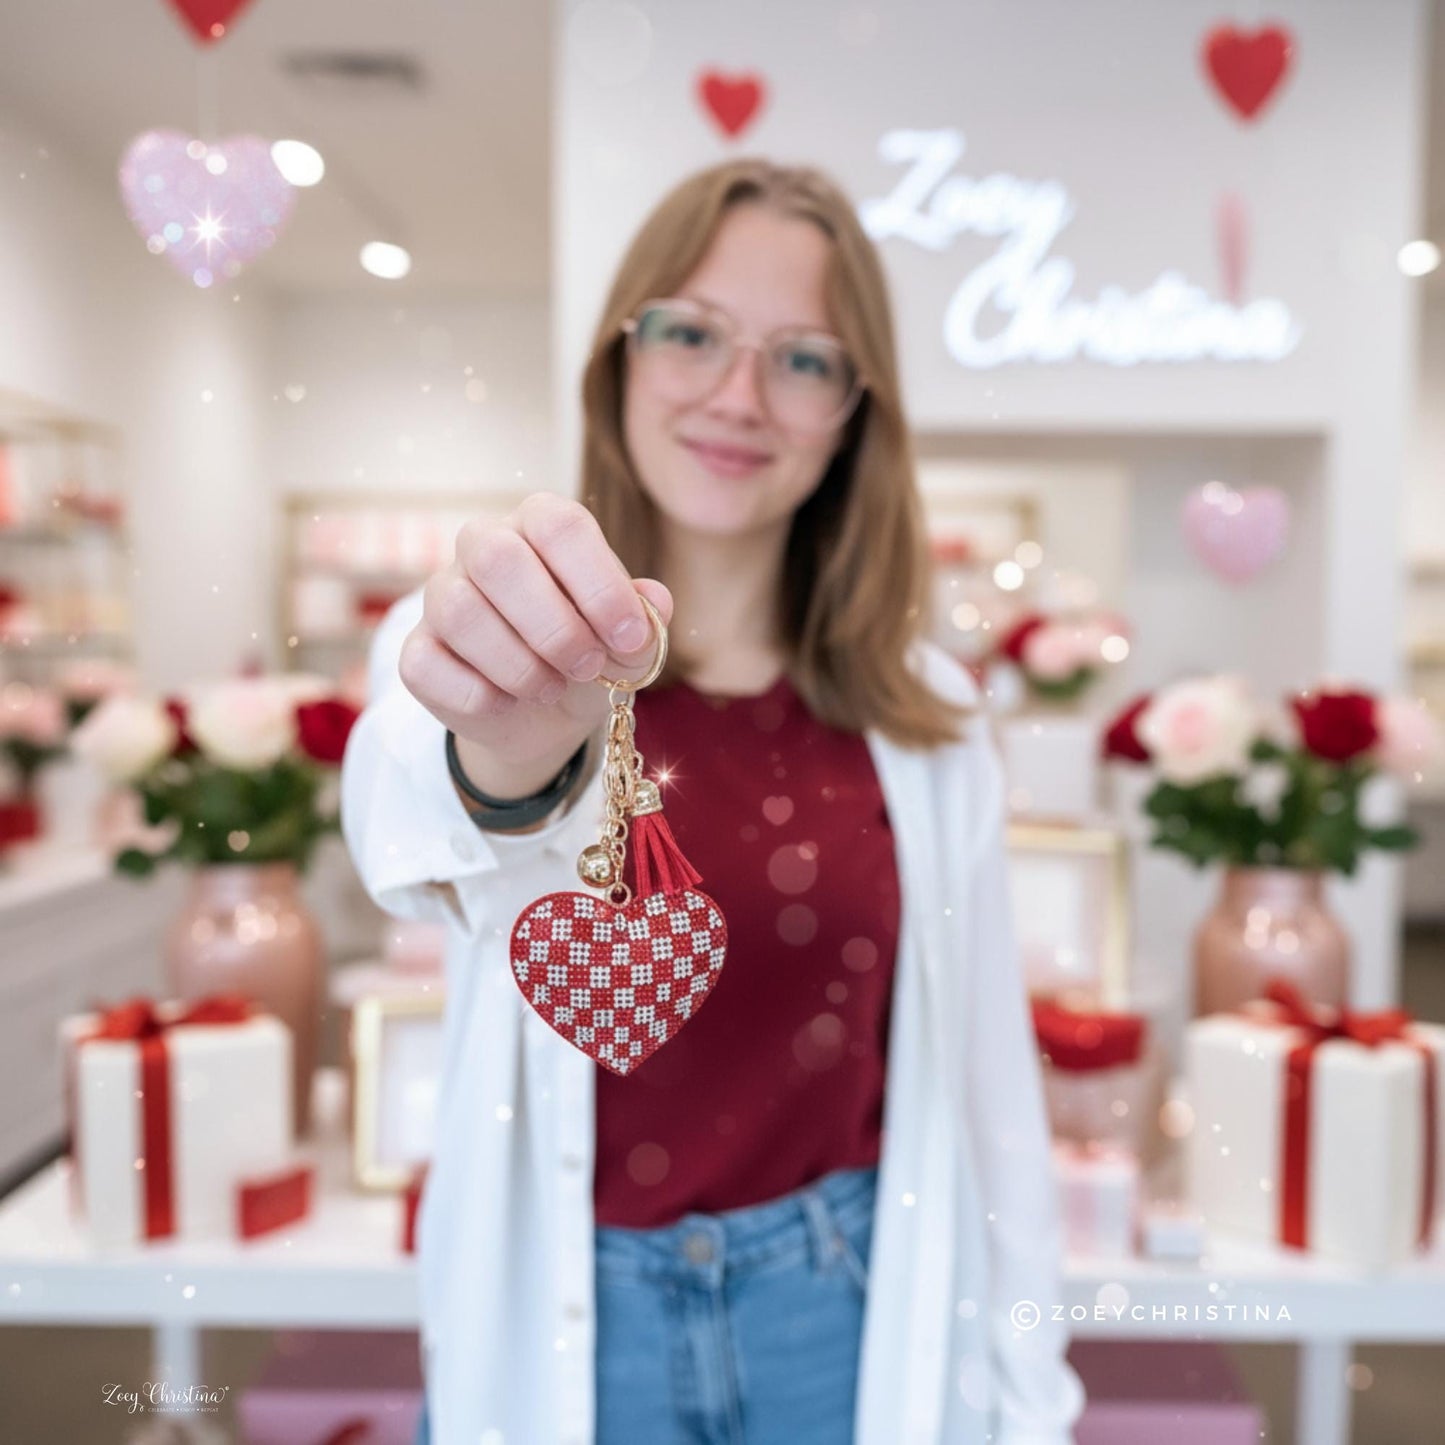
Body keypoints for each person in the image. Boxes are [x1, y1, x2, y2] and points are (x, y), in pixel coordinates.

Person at [340, 157, 1085, 1445]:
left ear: (856, 411)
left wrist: (1034, 1395)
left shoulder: (930, 712)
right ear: (620, 358)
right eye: (691, 333)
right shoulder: (505, 650)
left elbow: (987, 1092)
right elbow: (416, 821)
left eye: (804, 359)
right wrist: (514, 764)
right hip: (576, 1315)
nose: (739, 396)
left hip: (842, 1305)